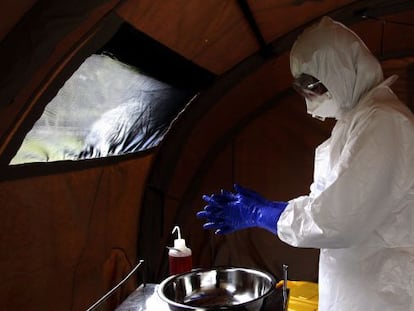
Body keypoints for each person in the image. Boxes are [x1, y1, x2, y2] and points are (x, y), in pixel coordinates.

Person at [197, 16, 414, 311]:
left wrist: (262, 214)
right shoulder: (357, 121)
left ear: (341, 74)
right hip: (360, 283)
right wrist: (270, 208)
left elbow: (338, 221)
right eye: (303, 91)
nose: (311, 102)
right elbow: (331, 204)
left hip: (384, 290)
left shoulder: (384, 123)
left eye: (314, 89)